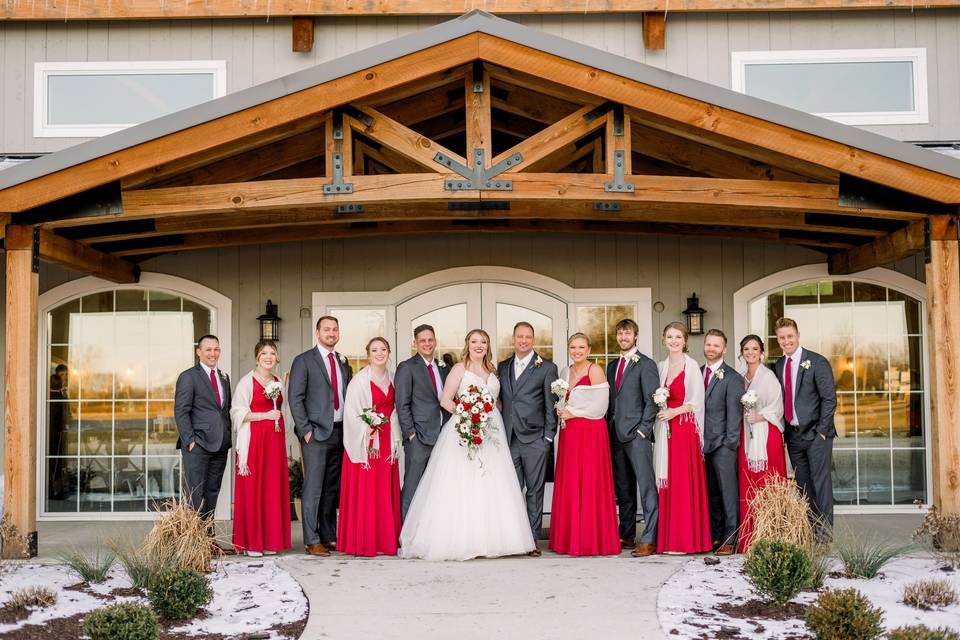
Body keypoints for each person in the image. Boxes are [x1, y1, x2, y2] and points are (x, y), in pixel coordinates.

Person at [399, 329, 535, 561]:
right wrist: (467, 414)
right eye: (474, 342)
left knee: (492, 482)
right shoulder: (459, 369)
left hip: (492, 433)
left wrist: (491, 413)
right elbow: (445, 399)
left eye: (483, 341)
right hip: (464, 430)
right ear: (467, 345)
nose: (479, 345)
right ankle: (461, 539)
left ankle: (493, 539)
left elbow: (498, 402)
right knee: (461, 483)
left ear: (487, 346)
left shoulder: (493, 371)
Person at [549, 333, 620, 557]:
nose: (577, 351)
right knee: (571, 480)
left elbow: (601, 406)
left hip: (590, 433)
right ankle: (570, 538)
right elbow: (562, 399)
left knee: (589, 480)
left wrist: (572, 413)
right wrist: (561, 409)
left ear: (589, 349)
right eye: (573, 347)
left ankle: (591, 538)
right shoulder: (565, 372)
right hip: (570, 433)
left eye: (581, 347)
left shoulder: (595, 370)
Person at [289, 316, 353, 557]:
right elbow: (295, 398)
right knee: (313, 487)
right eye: (327, 329)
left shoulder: (342, 362)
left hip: (339, 431)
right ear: (317, 333)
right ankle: (311, 539)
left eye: (335, 329)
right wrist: (306, 431)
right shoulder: (304, 361)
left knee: (331, 488)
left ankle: (328, 535)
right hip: (315, 433)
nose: (331, 333)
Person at [497, 321, 560, 555]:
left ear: (533, 340)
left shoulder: (546, 367)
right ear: (513, 338)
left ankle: (532, 538)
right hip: (509, 437)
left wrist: (548, 438)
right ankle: (512, 538)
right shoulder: (502, 366)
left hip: (535, 438)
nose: (523, 340)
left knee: (534, 491)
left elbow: (550, 404)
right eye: (519, 336)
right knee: (511, 489)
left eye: (528, 337)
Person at [338, 337, 402, 557]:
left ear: (389, 352)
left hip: (387, 441)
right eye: (374, 350)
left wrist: (390, 423)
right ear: (368, 354)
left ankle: (385, 540)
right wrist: (368, 427)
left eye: (383, 349)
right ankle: (364, 541)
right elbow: (351, 412)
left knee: (384, 490)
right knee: (367, 489)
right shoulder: (359, 381)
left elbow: (397, 408)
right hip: (366, 442)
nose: (379, 353)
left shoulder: (393, 378)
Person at [230, 340, 293, 557]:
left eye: (272, 353)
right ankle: (251, 543)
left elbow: (283, 409)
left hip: (274, 443)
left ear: (277, 358)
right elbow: (236, 412)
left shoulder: (277, 381)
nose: (269, 357)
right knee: (253, 489)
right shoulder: (247, 382)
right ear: (257, 357)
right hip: (255, 442)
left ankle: (269, 540)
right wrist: (264, 416)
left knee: (271, 489)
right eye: (264, 353)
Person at [774, 317, 837, 532]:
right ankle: (810, 531)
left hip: (816, 434)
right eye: (782, 337)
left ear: (798, 336)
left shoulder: (817, 362)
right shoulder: (780, 364)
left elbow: (829, 399)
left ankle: (825, 535)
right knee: (803, 487)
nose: (786, 341)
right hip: (793, 436)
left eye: (789, 336)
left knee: (821, 485)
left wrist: (822, 431)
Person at [605, 318, 661, 557]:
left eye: (627, 333)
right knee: (624, 488)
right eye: (620, 333)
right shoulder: (611, 366)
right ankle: (626, 535)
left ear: (636, 336)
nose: (623, 337)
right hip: (615, 434)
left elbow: (652, 400)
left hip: (637, 435)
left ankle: (649, 538)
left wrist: (643, 430)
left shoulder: (646, 364)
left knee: (646, 488)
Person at [174, 335, 233, 551]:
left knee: (212, 494)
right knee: (195, 496)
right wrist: (190, 440)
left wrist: (227, 437)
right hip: (198, 445)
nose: (212, 353)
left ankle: (208, 542)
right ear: (198, 352)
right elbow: (181, 411)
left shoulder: (223, 377)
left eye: (216, 349)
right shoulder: (189, 377)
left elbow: (224, 410)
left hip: (220, 445)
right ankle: (192, 545)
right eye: (208, 349)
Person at [655, 322, 710, 554]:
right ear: (663, 339)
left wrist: (673, 412)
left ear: (685, 340)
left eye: (678, 337)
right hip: (666, 429)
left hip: (684, 429)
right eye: (670, 336)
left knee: (682, 481)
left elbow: (697, 401)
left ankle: (687, 539)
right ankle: (669, 540)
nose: (674, 341)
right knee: (668, 481)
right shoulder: (661, 366)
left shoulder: (692, 365)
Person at [737, 334, 786, 553]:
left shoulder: (768, 377)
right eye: (747, 349)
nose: (750, 353)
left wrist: (759, 417)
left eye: (754, 349)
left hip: (767, 436)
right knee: (749, 484)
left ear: (761, 352)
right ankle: (749, 537)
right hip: (746, 437)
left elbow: (778, 407)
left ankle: (771, 535)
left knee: (767, 483)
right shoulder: (740, 377)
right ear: (741, 352)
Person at [394, 324, 449, 521]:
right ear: (415, 343)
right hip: (418, 437)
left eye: (430, 340)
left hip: (443, 435)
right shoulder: (407, 367)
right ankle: (405, 535)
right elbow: (402, 404)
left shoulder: (443, 368)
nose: (427, 344)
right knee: (413, 485)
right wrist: (410, 434)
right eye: (422, 340)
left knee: (435, 486)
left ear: (435, 341)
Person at [701, 329, 744, 555]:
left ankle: (730, 537)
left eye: (716, 345)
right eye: (709, 344)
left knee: (727, 492)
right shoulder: (697, 373)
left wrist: (729, 444)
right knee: (711, 493)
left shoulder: (732, 378)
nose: (711, 349)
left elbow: (734, 415)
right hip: (701, 444)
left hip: (723, 445)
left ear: (724, 349)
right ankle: (716, 535)